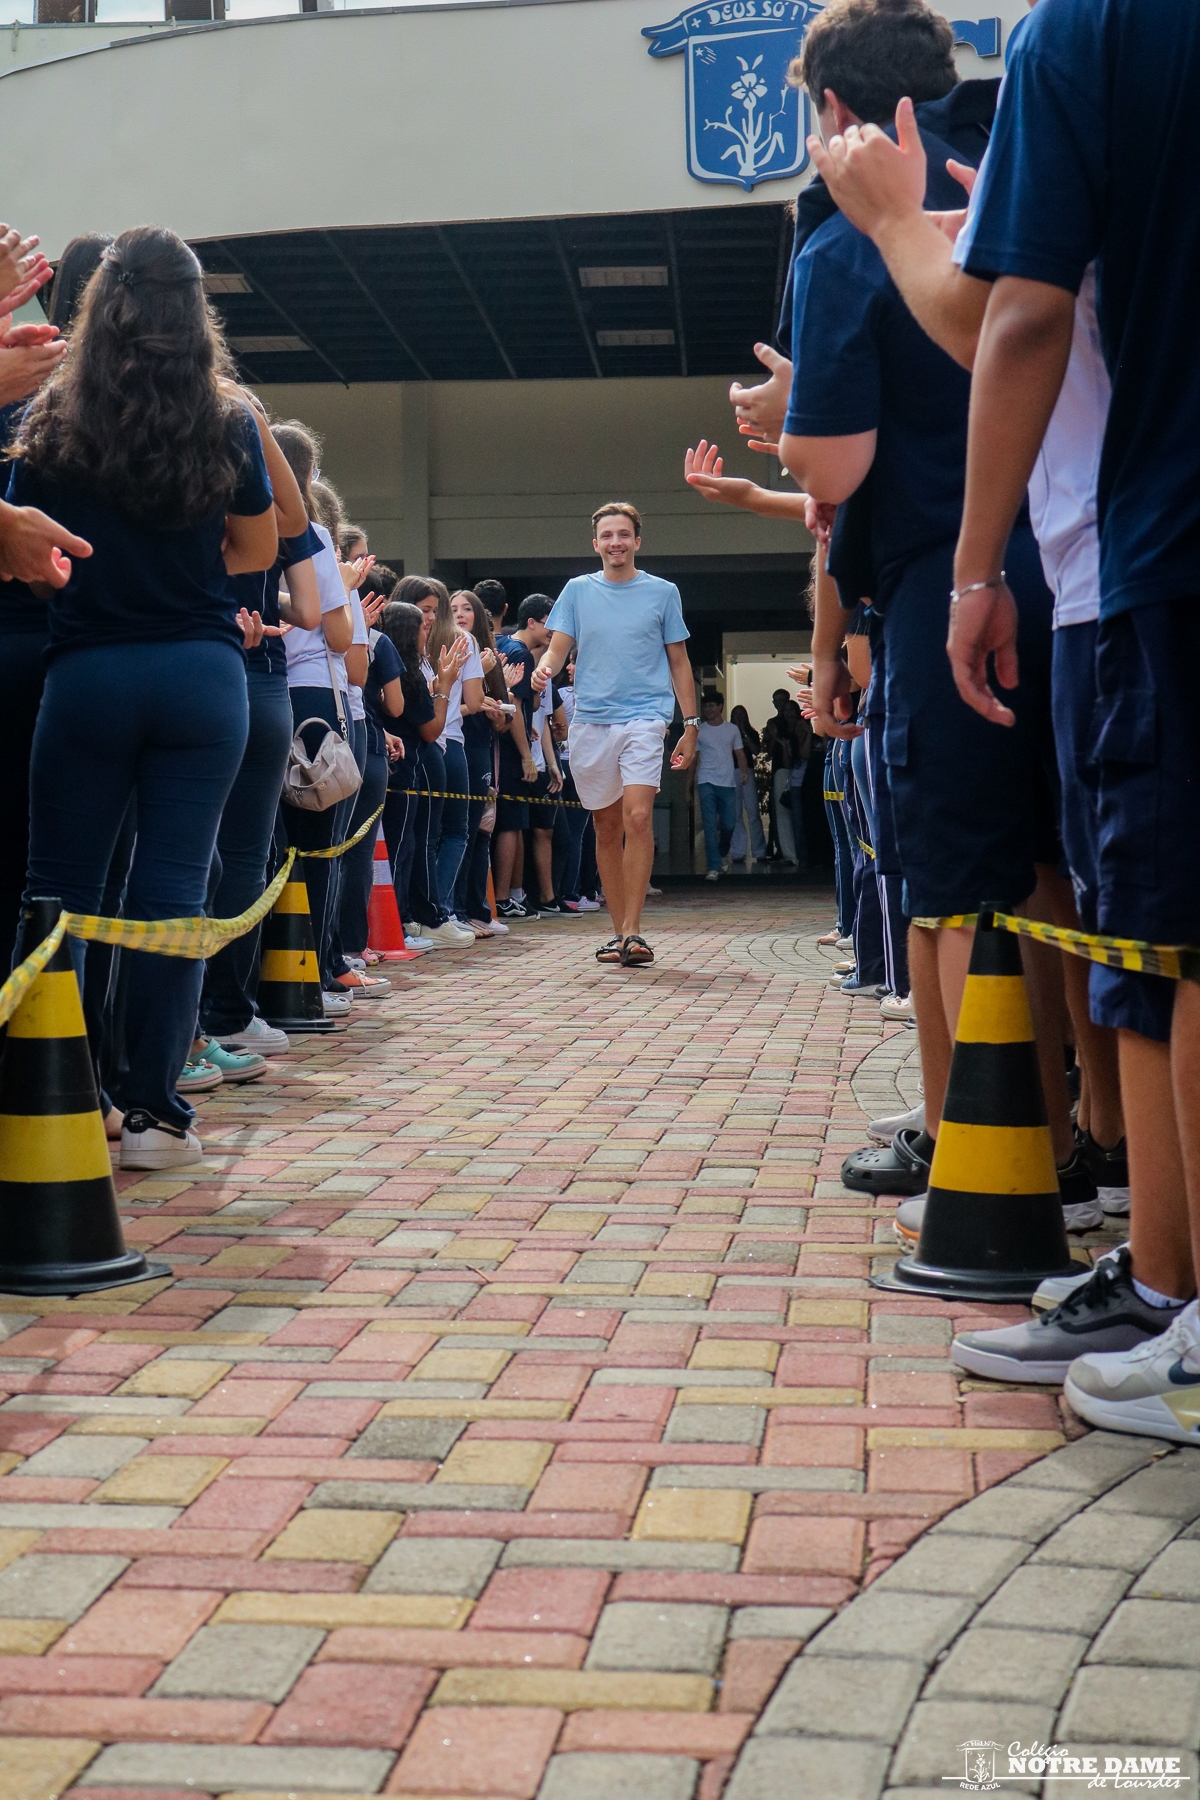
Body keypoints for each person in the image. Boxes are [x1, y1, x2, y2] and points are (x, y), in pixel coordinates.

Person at [692, 0, 1097, 1231]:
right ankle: (1097, 1133)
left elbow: (836, 468)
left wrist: (789, 419)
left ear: (828, 109)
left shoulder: (846, 239)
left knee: (953, 881)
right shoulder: (1016, 171)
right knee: (1062, 873)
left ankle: (981, 1147)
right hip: (1076, 563)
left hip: (946, 581)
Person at [930, 0, 1200, 1430]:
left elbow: (1019, 313)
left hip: (1167, 547)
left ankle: (1180, 1303)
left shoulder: (1084, 29)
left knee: (1176, 933)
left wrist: (978, 570)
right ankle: (1163, 1283)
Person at [8, 225, 282, 1171]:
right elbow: (259, 549)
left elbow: (27, 554)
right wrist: (187, 568)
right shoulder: (227, 417)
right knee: (172, 889)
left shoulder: (51, 413)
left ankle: (61, 1097)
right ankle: (157, 1114)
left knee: (61, 891)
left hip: (88, 671)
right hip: (202, 674)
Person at [532, 501, 698, 967]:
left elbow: (679, 661)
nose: (616, 543)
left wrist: (690, 725)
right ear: (596, 544)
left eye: (623, 534)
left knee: (638, 817)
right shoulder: (577, 591)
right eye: (607, 535)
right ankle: (619, 932)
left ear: (637, 541)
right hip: (591, 721)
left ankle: (634, 931)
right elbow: (557, 649)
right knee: (606, 827)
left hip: (646, 717)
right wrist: (544, 670)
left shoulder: (663, 592)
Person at [272, 423, 358, 1016]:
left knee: (273, 840)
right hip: (312, 695)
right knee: (319, 841)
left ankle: (272, 977)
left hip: (261, 682)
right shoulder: (311, 534)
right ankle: (316, 972)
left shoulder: (235, 520)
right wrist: (343, 595)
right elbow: (337, 633)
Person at [450, 588, 511, 937]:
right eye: (454, 609)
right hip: (457, 743)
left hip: (482, 745)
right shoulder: (450, 651)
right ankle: (459, 910)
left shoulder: (488, 656)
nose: (460, 615)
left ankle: (477, 909)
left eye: (467, 609)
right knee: (463, 831)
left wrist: (497, 714)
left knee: (481, 831)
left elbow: (503, 720)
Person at [694, 692, 747, 880]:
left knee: (729, 823)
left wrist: (744, 771)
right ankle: (713, 867)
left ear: (720, 707)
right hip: (706, 780)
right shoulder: (700, 730)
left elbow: (739, 753)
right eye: (705, 706)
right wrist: (688, 786)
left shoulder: (732, 729)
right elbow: (694, 758)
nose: (708, 709)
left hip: (727, 782)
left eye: (712, 705)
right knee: (709, 826)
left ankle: (723, 851)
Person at [728, 703, 767, 864]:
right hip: (731, 771)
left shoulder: (751, 733)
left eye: (741, 715)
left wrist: (744, 733)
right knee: (735, 813)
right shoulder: (728, 732)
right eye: (736, 715)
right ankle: (738, 851)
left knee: (753, 812)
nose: (739, 718)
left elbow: (756, 751)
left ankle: (759, 850)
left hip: (748, 771)